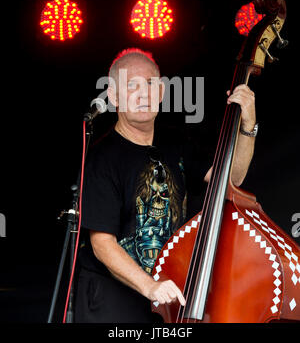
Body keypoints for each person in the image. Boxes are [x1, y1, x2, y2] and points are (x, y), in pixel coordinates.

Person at [74, 48, 257, 323]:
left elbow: (233, 180)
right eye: (132, 85)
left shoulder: (176, 143)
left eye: (150, 84)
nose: (143, 94)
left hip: (166, 297)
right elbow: (102, 243)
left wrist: (248, 124)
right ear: (113, 96)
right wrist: (150, 286)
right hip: (114, 301)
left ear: (161, 92)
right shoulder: (102, 158)